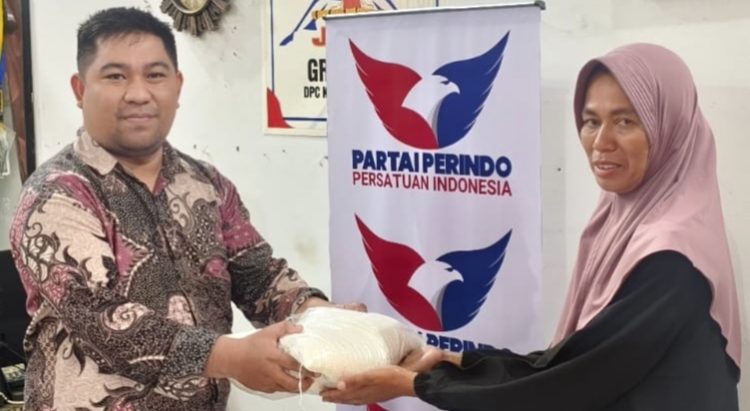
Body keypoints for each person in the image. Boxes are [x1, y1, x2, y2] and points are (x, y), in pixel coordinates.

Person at [321, 43, 741, 410]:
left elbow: (573, 381)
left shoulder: (669, 256)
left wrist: (418, 384)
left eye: (625, 121)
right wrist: (455, 361)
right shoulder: (626, 223)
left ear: (670, 129)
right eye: (591, 121)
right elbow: (571, 362)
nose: (601, 142)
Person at [9, 7, 356, 410]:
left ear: (177, 85)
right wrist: (231, 356)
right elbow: (99, 317)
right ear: (79, 88)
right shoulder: (57, 193)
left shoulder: (206, 184)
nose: (138, 93)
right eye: (116, 76)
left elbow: (258, 275)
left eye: (155, 75)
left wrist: (317, 317)